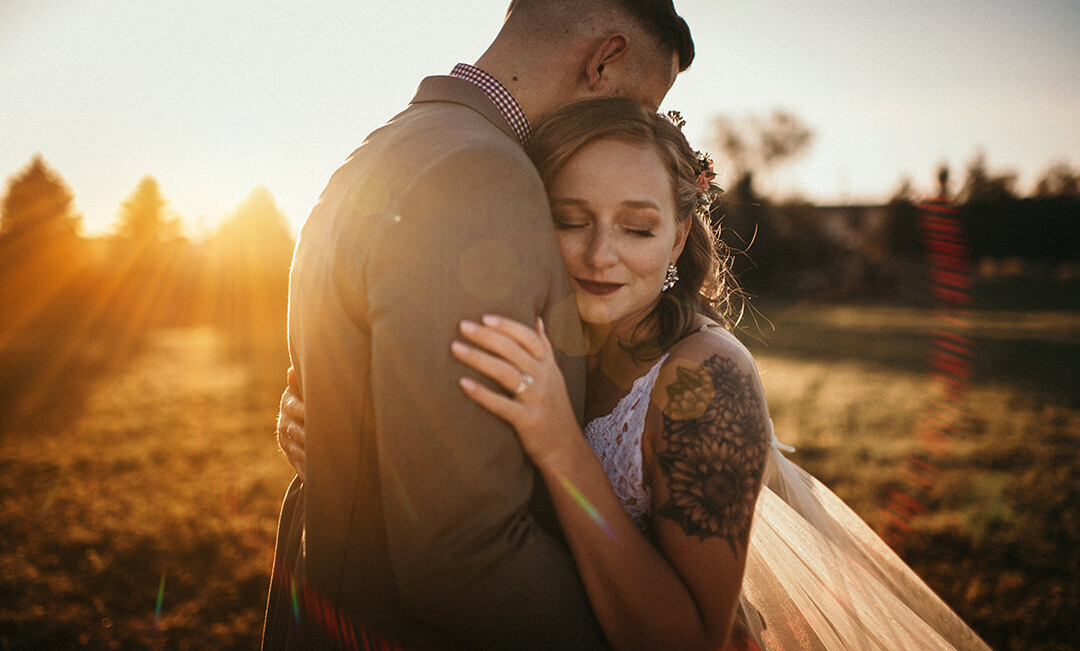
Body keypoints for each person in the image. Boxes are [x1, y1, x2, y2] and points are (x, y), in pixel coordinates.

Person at [279, 98, 992, 651]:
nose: (600, 254)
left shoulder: (706, 382)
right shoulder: (540, 336)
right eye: (570, 219)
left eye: (637, 227)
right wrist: (345, 442)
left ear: (679, 236)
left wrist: (560, 443)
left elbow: (688, 640)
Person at [262, 0, 694, 651]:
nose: (632, 140)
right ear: (605, 60)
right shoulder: (478, 178)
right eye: (641, 105)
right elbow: (462, 554)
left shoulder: (383, 149)